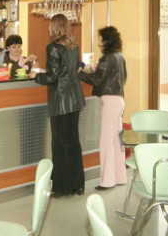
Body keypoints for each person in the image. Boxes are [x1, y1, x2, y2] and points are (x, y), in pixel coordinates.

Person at [31, 14, 85, 197]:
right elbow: (70, 70)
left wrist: (37, 76)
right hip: (75, 99)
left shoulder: (53, 47)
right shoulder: (74, 45)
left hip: (61, 101)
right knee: (73, 141)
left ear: (54, 27)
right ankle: (77, 184)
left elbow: (53, 77)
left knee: (60, 144)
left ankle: (62, 187)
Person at [80, 26, 127, 190]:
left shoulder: (107, 58)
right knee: (116, 141)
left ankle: (107, 181)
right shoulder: (119, 56)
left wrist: (80, 73)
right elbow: (122, 77)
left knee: (106, 141)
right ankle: (120, 176)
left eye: (100, 39)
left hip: (110, 101)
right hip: (119, 99)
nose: (99, 42)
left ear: (106, 40)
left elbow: (97, 80)